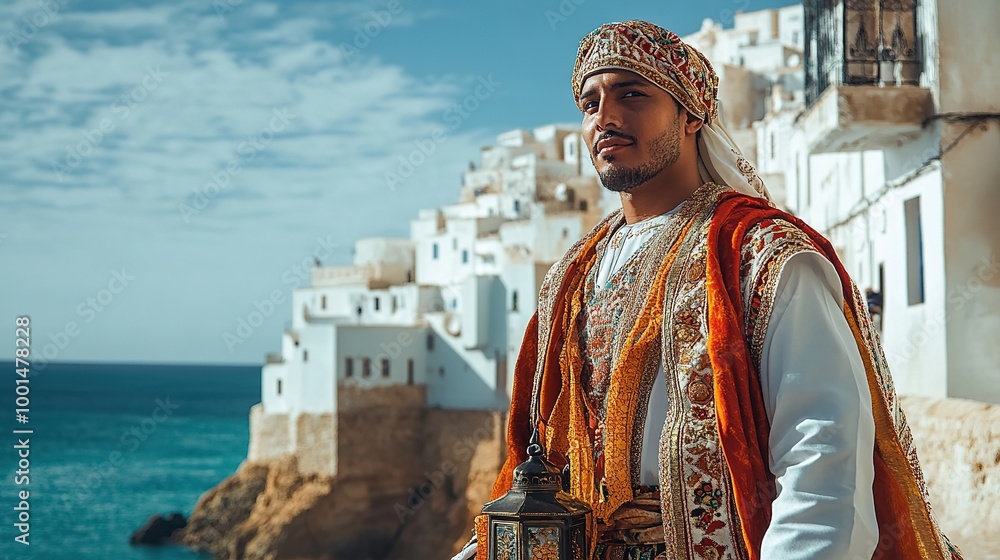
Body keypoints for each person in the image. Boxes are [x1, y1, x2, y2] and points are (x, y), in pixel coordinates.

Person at [454, 20, 961, 560]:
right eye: (590, 101)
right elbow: (535, 478)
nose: (605, 117)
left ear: (692, 113)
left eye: (631, 93)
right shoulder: (570, 279)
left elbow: (823, 459)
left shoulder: (761, 255)